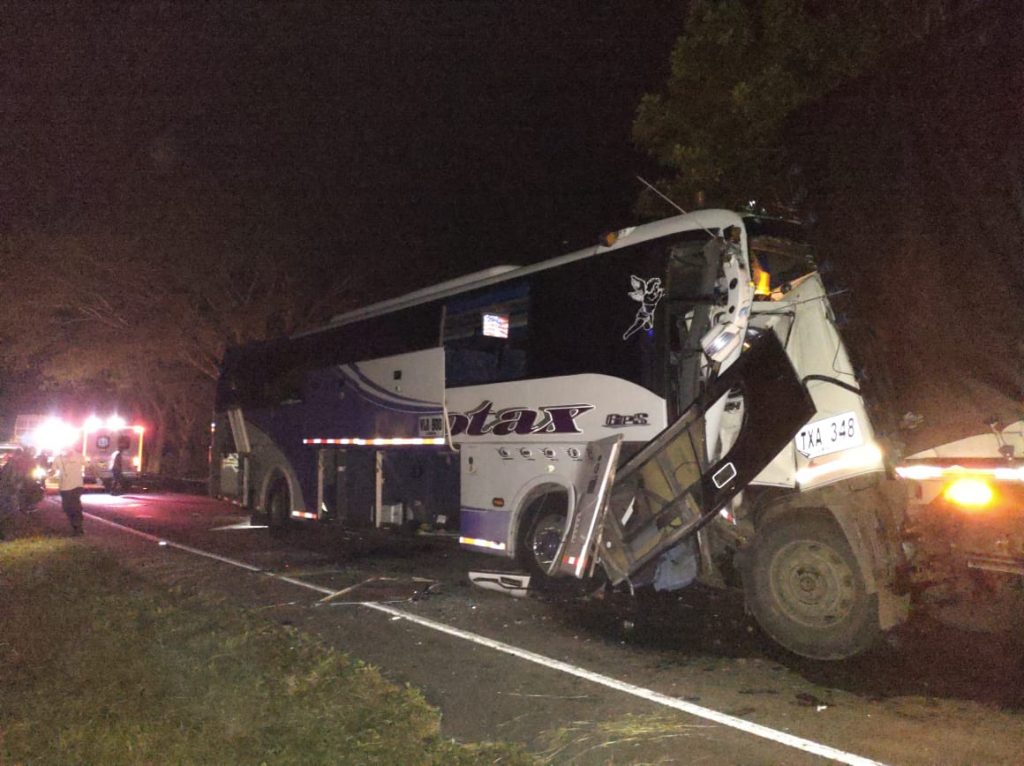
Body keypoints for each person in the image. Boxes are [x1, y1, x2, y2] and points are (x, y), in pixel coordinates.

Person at [52, 446, 86, 536]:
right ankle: (74, 524)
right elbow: (53, 469)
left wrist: (98, 477)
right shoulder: (58, 458)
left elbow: (88, 466)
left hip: (77, 485)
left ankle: (78, 526)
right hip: (64, 487)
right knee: (67, 507)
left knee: (76, 505)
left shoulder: (78, 456)